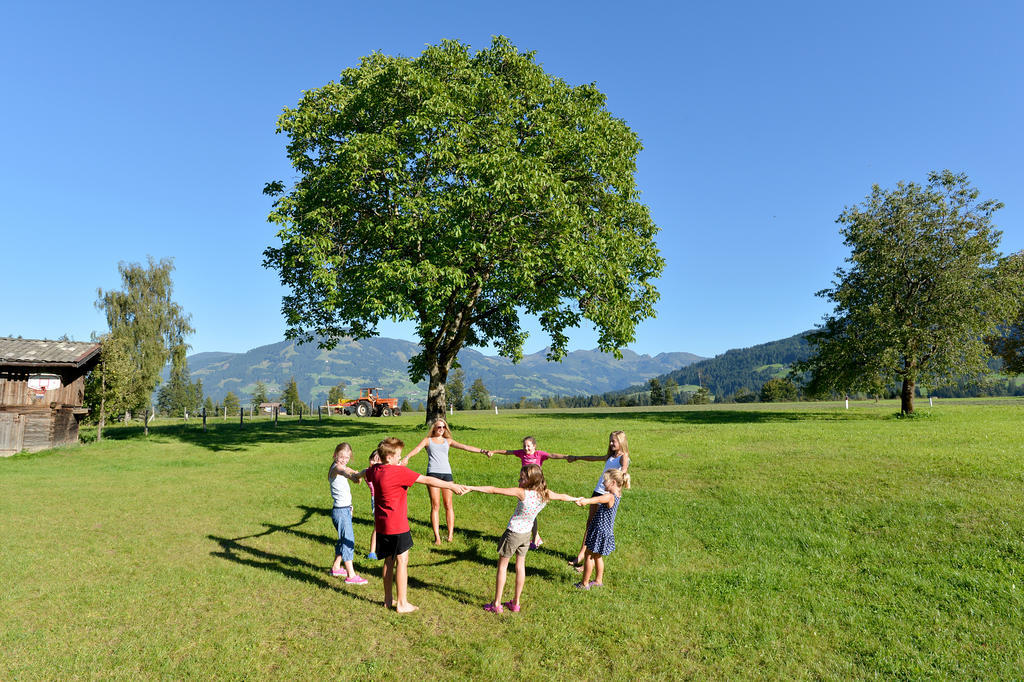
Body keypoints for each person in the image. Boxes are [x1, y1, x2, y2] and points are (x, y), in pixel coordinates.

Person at [339, 437, 469, 613]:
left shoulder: (375, 470)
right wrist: (451, 486)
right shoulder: (400, 472)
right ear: (390, 457)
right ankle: (402, 603)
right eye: (398, 455)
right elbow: (427, 479)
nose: (401, 458)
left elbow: (365, 471)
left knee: (388, 560)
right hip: (398, 526)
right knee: (402, 560)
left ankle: (387, 600)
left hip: (382, 526)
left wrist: (356, 476)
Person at [469, 465, 580, 614]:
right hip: (526, 535)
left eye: (522, 478)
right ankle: (515, 603)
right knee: (520, 566)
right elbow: (562, 496)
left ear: (531, 480)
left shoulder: (522, 493)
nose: (519, 480)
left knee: (502, 567)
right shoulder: (545, 494)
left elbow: (494, 489)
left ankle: (496, 604)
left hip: (513, 533)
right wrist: (576, 499)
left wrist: (471, 487)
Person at [400, 418, 489, 544]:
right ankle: (437, 537)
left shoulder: (448, 441)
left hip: (447, 475)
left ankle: (450, 535)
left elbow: (465, 447)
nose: (441, 429)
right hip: (433, 474)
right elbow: (417, 449)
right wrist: (407, 457)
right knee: (435, 505)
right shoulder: (428, 441)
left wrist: (483, 451)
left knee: (448, 505)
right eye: (439, 427)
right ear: (434, 428)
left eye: (443, 427)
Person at [487, 436, 572, 549]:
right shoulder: (522, 453)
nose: (526, 448)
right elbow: (507, 452)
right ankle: (535, 537)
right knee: (527, 511)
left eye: (528, 446)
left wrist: (566, 457)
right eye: (524, 446)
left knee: (530, 512)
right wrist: (494, 451)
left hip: (535, 486)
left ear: (534, 446)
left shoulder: (539, 454)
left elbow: (552, 455)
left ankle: (535, 537)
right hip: (525, 485)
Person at [567, 430, 631, 569]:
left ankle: (587, 563)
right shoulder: (611, 455)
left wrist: (621, 480)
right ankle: (582, 555)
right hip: (598, 491)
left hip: (606, 496)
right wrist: (577, 457)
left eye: (614, 441)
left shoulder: (623, 456)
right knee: (590, 523)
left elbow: (624, 470)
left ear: (621, 442)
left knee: (597, 528)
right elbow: (594, 458)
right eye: (610, 440)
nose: (611, 443)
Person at [573, 468, 629, 589]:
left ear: (613, 483)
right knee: (598, 556)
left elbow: (598, 499)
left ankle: (584, 583)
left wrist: (586, 501)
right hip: (605, 531)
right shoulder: (618, 494)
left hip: (599, 531)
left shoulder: (609, 496)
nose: (603, 483)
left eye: (605, 481)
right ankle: (598, 581)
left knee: (589, 555)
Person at [327, 442, 368, 585]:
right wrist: (352, 477)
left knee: (342, 539)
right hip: (340, 511)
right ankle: (351, 575)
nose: (344, 460)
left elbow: (349, 470)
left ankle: (336, 567)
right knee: (348, 540)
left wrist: (357, 474)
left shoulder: (343, 466)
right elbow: (344, 471)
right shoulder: (336, 468)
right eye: (341, 457)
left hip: (345, 509)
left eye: (347, 457)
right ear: (335, 455)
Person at [365, 448, 383, 560]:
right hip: (375, 499)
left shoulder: (381, 471)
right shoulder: (369, 471)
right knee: (378, 526)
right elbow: (359, 474)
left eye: (376, 460)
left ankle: (382, 548)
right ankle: (372, 552)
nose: (373, 462)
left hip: (384, 498)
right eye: (372, 459)